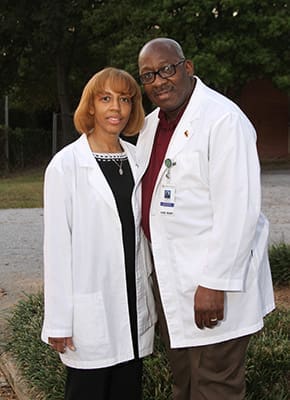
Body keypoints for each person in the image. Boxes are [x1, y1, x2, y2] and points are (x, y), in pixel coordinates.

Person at [135, 37, 275, 400]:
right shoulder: (150, 127)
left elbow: (238, 209)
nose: (159, 81)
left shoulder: (223, 119)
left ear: (187, 67)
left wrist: (215, 282)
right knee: (184, 384)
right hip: (171, 282)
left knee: (216, 386)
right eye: (148, 75)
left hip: (211, 287)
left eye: (167, 69)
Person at [41, 67, 156, 400]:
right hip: (90, 309)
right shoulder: (66, 166)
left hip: (133, 309)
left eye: (124, 99)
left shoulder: (138, 159)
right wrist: (59, 322)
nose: (116, 108)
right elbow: (58, 249)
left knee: (127, 391)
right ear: (90, 106)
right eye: (105, 99)